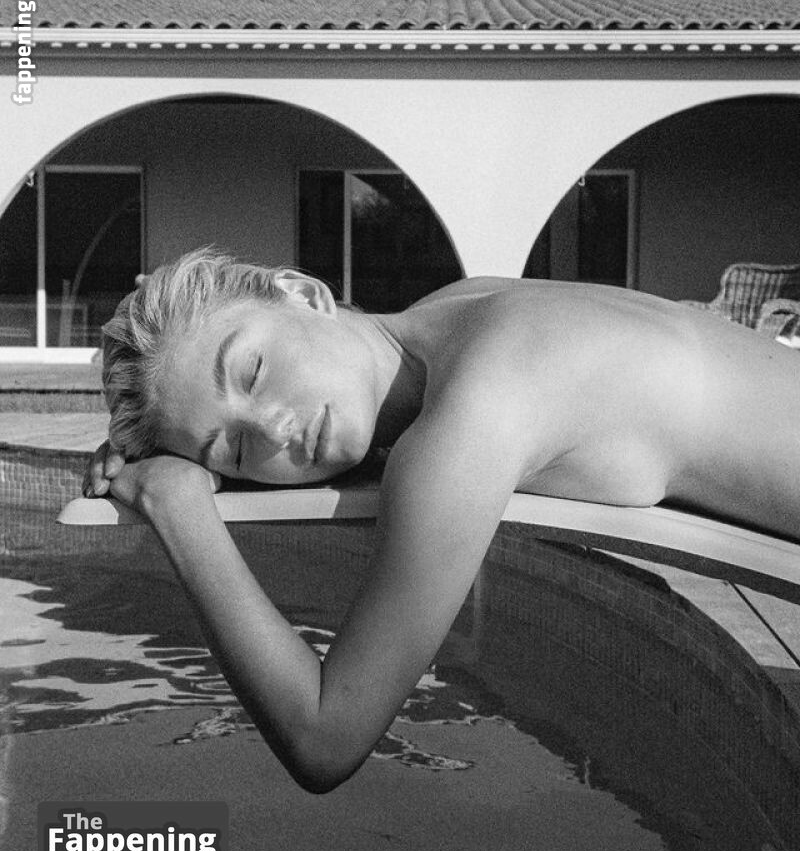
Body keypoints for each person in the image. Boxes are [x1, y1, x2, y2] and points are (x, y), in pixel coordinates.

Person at [84, 247, 800, 793]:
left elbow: (325, 741)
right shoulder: (459, 307)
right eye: (237, 450)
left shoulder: (473, 412)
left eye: (252, 372)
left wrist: (179, 508)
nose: (273, 430)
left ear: (304, 293)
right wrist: (175, 450)